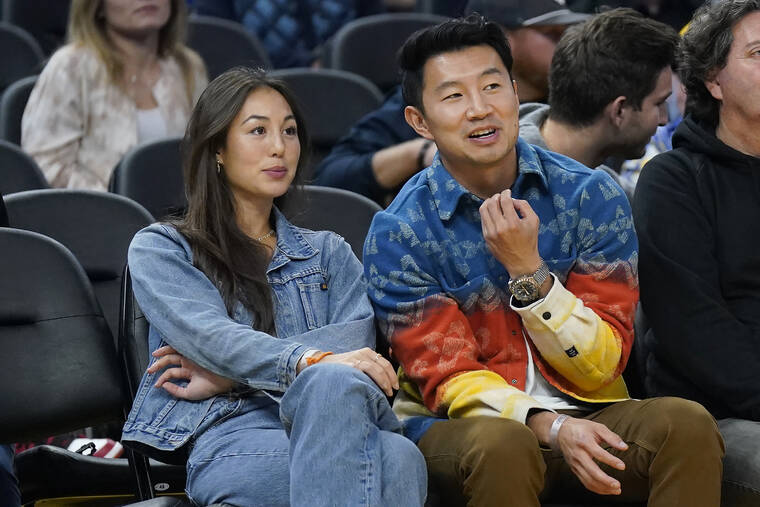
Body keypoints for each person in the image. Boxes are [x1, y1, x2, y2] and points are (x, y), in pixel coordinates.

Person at [363, 15, 724, 506]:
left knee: (684, 424)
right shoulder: (399, 231)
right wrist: (547, 425)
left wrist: (530, 275)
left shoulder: (590, 195)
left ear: (515, 94)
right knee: (504, 443)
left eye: (492, 87)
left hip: (589, 409)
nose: (479, 109)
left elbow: (604, 364)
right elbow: (447, 377)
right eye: (453, 96)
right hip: (461, 430)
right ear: (419, 122)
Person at [120, 66, 426, 506]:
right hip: (234, 436)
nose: (280, 147)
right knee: (393, 457)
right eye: (258, 131)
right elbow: (210, 335)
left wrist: (231, 375)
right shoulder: (164, 248)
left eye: (289, 131)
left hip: (342, 423)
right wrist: (308, 359)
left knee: (370, 427)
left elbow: (354, 352)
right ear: (218, 148)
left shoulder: (330, 253)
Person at [633, 1, 760, 505]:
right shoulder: (673, 181)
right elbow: (695, 330)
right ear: (713, 80)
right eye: (758, 52)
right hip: (718, 417)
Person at [313, 0, 588, 205]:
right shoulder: (430, 103)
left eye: (492, 88)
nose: (479, 110)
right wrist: (421, 154)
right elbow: (333, 178)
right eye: (552, 34)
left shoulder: (580, 99)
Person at [21, 0, 207, 190]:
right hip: (96, 214)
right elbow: (47, 167)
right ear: (98, 7)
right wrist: (119, 206)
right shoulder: (69, 67)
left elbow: (204, 158)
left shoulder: (188, 67)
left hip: (179, 214)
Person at [518, 8, 678, 201]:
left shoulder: (613, 195)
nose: (664, 120)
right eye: (659, 103)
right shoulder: (499, 180)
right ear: (619, 110)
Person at [195, 0, 385, 69]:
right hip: (258, 88)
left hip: (344, 86)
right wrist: (305, 64)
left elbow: (374, 36)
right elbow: (218, 46)